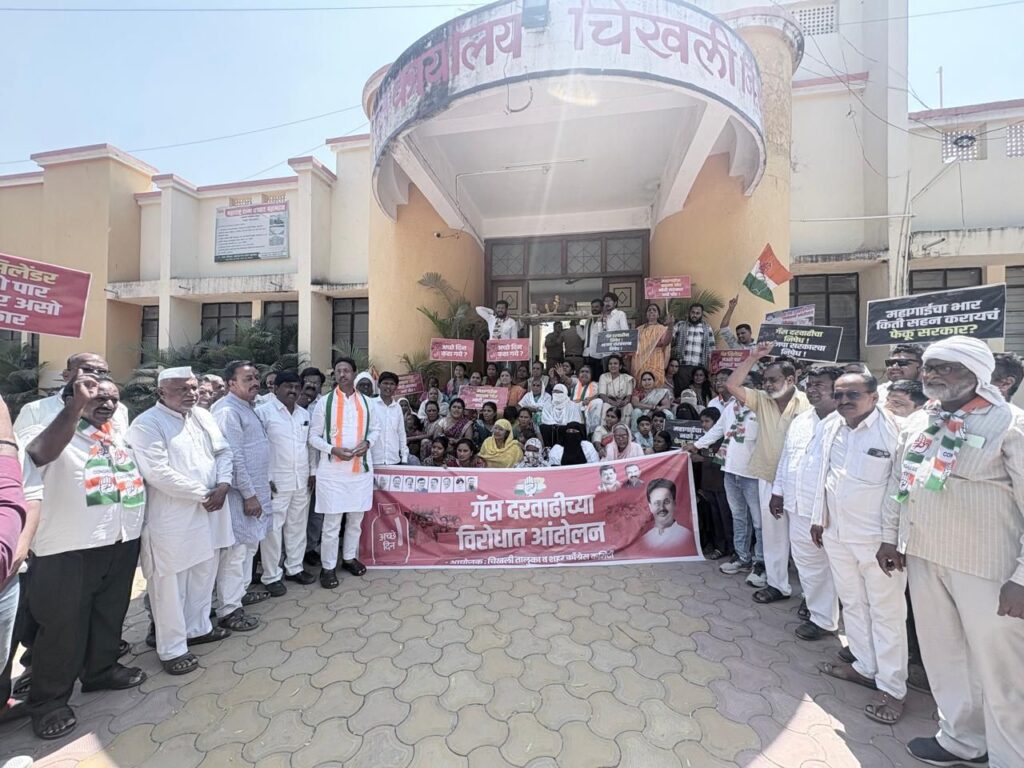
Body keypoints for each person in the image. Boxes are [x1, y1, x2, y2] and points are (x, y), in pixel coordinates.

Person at [879, 336, 1024, 766]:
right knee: (944, 656)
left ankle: (1010, 757)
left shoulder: (1010, 424)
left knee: (1001, 670)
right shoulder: (922, 419)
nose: (933, 374)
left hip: (988, 569)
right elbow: (900, 481)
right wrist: (890, 536)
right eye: (930, 366)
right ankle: (962, 741)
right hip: (925, 556)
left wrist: (1022, 578)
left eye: (947, 367)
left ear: (977, 374)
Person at [23, 375, 146, 739]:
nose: (107, 404)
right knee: (62, 627)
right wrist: (75, 408)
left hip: (119, 540)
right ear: (70, 399)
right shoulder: (52, 430)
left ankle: (100, 671)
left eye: (113, 399)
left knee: (110, 612)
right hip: (69, 547)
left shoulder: (116, 433)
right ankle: (49, 703)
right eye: (96, 397)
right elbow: (39, 454)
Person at [810, 372, 906, 725]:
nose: (844, 401)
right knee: (852, 602)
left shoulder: (894, 431)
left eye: (853, 395)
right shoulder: (833, 426)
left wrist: (892, 539)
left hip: (878, 543)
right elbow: (823, 475)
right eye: (839, 395)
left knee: (887, 614)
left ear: (874, 396)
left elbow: (901, 489)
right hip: (836, 534)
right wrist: (818, 518)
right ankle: (865, 667)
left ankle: (892, 688)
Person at [129, 367, 235, 676]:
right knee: (170, 584)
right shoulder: (147, 423)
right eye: (181, 389)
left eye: (192, 387)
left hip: (211, 508)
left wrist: (224, 484)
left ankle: (197, 628)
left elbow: (223, 451)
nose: (190, 394)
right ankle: (172, 648)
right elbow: (157, 472)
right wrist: (204, 493)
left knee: (204, 571)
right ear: (161, 392)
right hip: (173, 516)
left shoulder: (202, 416)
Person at [725, 344, 810, 594]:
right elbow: (732, 385)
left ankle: (810, 598)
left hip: (799, 482)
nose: (768, 385)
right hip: (768, 477)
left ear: (791, 380)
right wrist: (753, 357)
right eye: (765, 381)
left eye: (773, 380)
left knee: (804, 543)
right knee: (773, 537)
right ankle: (777, 586)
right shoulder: (761, 400)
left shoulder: (808, 403)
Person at [769, 365, 843, 642]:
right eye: (810, 384)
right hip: (797, 507)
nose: (812, 390)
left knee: (838, 569)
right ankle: (821, 618)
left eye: (819, 385)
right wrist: (778, 492)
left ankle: (843, 621)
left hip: (831, 512)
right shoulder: (801, 421)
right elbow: (786, 459)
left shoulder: (844, 423)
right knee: (809, 565)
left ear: (836, 389)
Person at [211, 360, 273, 626]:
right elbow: (233, 457)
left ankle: (239, 593)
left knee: (248, 547)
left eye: (256, 377)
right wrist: (249, 494)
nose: (255, 382)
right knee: (236, 552)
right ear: (231, 383)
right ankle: (229, 610)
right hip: (240, 496)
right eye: (248, 379)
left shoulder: (247, 407)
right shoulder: (227, 411)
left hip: (255, 490)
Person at [309, 357, 380, 587]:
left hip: (359, 471)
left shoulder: (368, 403)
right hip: (333, 472)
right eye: (338, 371)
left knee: (355, 519)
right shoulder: (325, 403)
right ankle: (328, 567)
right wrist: (333, 449)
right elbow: (313, 437)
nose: (342, 374)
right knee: (332, 522)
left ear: (354, 373)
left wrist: (368, 443)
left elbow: (375, 430)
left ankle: (349, 558)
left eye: (346, 370)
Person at [689, 378, 761, 580]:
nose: (741, 391)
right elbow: (717, 430)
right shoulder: (730, 408)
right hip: (730, 471)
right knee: (739, 517)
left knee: (758, 521)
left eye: (746, 387)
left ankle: (761, 563)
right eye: (738, 387)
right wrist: (697, 445)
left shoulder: (762, 408)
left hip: (753, 474)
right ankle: (742, 558)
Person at [255, 370, 318, 595]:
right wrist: (264, 478)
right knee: (273, 530)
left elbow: (310, 446)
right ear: (275, 388)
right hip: (276, 482)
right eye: (287, 386)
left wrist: (313, 472)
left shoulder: (304, 414)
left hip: (301, 479)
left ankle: (294, 568)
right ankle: (271, 576)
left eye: (296, 387)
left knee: (297, 526)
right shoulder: (263, 413)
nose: (293, 390)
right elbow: (258, 449)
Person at [14, 353, 130, 439]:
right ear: (66, 375)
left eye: (102, 372)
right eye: (87, 369)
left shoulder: (119, 409)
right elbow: (20, 450)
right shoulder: (35, 409)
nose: (95, 375)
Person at [695, 407, 730, 560]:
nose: (704, 425)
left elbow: (723, 460)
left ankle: (732, 549)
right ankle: (719, 547)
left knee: (725, 518)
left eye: (707, 421)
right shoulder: (703, 441)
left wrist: (701, 459)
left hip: (722, 487)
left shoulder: (724, 439)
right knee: (714, 519)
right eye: (702, 421)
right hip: (708, 486)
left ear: (717, 423)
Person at [640, 479, 694, 552]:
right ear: (650, 507)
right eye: (657, 503)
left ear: (674, 503)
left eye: (666, 502)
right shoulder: (645, 540)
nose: (662, 508)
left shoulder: (687, 536)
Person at [671, 303, 716, 392]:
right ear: (689, 312)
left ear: (701, 314)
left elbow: (711, 349)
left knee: (697, 393)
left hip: (699, 367)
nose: (694, 315)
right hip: (682, 366)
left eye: (697, 313)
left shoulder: (707, 328)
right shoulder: (680, 325)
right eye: (693, 312)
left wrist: (710, 369)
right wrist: (669, 325)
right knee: (681, 392)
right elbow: (670, 341)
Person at [371, 371, 409, 468]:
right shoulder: (371, 404)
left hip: (393, 459)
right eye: (385, 383)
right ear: (379, 385)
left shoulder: (397, 408)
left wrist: (404, 456)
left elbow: (401, 433)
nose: (388, 386)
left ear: (396, 387)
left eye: (392, 384)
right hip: (373, 459)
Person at [631, 304, 672, 388]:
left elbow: (666, 342)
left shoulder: (662, 328)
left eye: (654, 310)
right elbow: (633, 345)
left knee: (655, 384)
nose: (651, 311)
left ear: (658, 315)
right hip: (639, 361)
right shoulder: (639, 329)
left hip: (656, 361)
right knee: (641, 384)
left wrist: (670, 326)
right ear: (646, 314)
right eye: (649, 310)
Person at [598, 355, 634, 424]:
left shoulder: (627, 378)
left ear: (620, 366)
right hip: (609, 402)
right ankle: (604, 428)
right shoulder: (604, 376)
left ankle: (624, 428)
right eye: (610, 364)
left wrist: (623, 402)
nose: (612, 365)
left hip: (622, 403)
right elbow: (602, 395)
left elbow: (629, 396)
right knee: (605, 405)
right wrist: (613, 403)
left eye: (615, 363)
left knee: (629, 406)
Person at [579, 298, 607, 378]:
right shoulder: (589, 320)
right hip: (586, 354)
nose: (594, 309)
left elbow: (602, 335)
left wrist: (600, 321)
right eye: (592, 307)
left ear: (602, 308)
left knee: (597, 378)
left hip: (598, 355)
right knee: (586, 378)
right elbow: (583, 337)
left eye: (596, 307)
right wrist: (577, 324)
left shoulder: (605, 320)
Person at [569, 365, 602, 434]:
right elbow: (568, 380)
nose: (584, 373)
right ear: (578, 375)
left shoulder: (595, 385)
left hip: (587, 410)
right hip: (573, 410)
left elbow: (599, 394)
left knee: (598, 402)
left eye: (587, 372)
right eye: (582, 371)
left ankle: (592, 433)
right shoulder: (575, 384)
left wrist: (590, 399)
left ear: (591, 375)